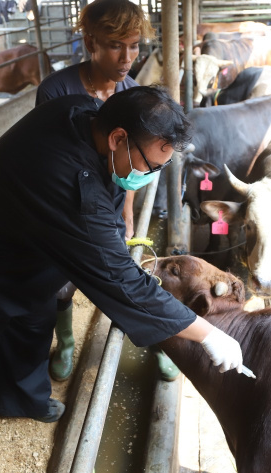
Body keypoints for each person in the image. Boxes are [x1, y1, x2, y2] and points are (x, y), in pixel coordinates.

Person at [0, 86, 247, 468]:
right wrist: (207, 333)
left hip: (22, 245)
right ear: (118, 137)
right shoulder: (72, 187)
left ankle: (20, 399)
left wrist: (116, 243)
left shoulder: (80, 112)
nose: (149, 177)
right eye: (149, 166)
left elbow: (107, 222)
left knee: (31, 320)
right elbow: (120, 281)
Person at [36, 0, 179, 382]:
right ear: (91, 42)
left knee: (123, 275)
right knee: (61, 282)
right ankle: (65, 342)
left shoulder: (131, 92)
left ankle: (156, 342)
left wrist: (127, 210)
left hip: (110, 201)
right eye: (117, 45)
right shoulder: (56, 91)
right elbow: (50, 163)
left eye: (134, 46)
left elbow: (130, 162)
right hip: (66, 204)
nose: (127, 57)